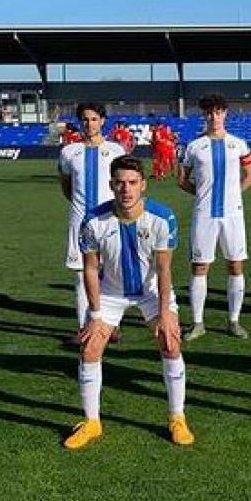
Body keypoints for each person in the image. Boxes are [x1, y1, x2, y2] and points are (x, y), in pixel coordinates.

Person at [62, 155, 193, 449]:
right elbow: (90, 269)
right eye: (120, 183)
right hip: (111, 292)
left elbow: (164, 270)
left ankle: (177, 417)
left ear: (143, 185)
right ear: (111, 185)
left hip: (151, 291)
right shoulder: (93, 221)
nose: (126, 189)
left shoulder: (163, 218)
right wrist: (95, 314)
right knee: (90, 348)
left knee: (170, 343)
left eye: (133, 183)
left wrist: (165, 313)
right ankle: (92, 422)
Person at [179, 93, 251, 340]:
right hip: (205, 215)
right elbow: (182, 179)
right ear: (205, 115)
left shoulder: (239, 144)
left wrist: (233, 195)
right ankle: (197, 323)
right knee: (200, 266)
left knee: (235, 265)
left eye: (219, 112)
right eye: (210, 113)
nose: (214, 117)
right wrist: (202, 194)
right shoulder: (194, 146)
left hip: (233, 215)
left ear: (225, 114)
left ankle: (234, 321)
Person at [58, 102, 127, 337]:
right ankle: (84, 328)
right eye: (85, 119)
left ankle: (111, 325)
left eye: (94, 119)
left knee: (112, 275)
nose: (90, 124)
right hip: (80, 222)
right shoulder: (69, 152)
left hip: (110, 220)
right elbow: (66, 186)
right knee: (81, 276)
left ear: (103, 121)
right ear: (80, 122)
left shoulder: (116, 150)